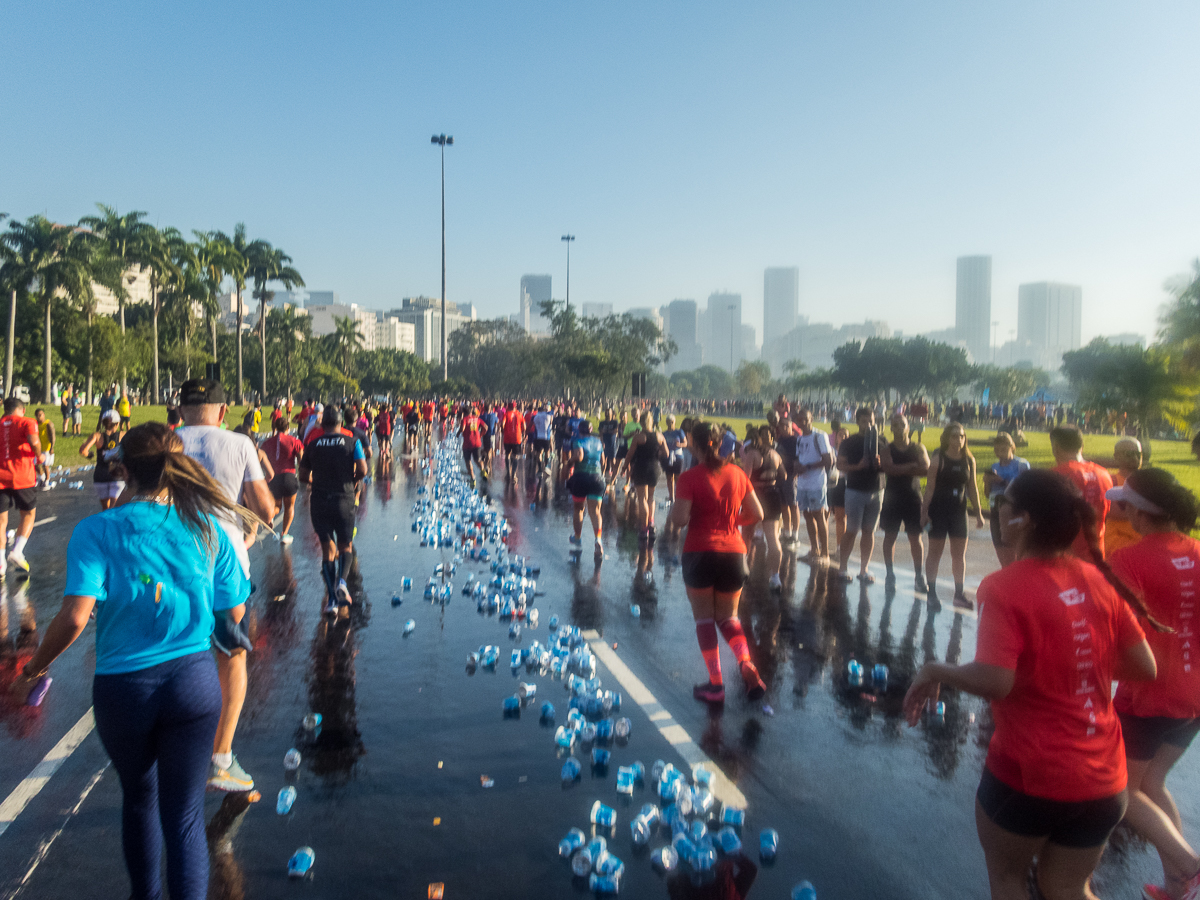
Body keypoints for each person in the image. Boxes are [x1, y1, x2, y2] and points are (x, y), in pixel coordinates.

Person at [8, 422, 252, 900]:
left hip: (125, 688)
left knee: (140, 800)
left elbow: (76, 617)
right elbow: (235, 613)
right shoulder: (207, 527)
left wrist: (33, 671)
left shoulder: (97, 529)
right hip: (195, 683)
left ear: (122, 467)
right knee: (183, 816)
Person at [903, 469, 1158, 900]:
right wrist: (1073, 664)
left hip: (1031, 776)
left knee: (1009, 882)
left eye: (1005, 501)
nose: (998, 508)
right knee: (1068, 888)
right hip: (1104, 778)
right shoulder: (1098, 580)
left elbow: (995, 681)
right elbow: (1144, 667)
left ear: (1024, 519)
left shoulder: (1004, 587)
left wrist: (934, 670)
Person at [175, 378, 276, 794]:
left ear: (180, 411)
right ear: (221, 411)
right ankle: (220, 758)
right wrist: (251, 525)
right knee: (231, 655)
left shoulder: (165, 442)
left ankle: (177, 750)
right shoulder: (239, 443)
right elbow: (265, 507)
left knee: (174, 655)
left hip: (168, 561)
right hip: (225, 562)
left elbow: (130, 503)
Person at [1106, 470, 1200, 900]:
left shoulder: (1130, 559)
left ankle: (1189, 865)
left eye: (1124, 505)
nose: (1120, 511)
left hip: (1149, 694)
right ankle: (1177, 885)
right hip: (1194, 692)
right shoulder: (1197, 552)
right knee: (1153, 783)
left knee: (1125, 791)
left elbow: (1119, 634)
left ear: (1141, 512)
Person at [670, 422, 766, 704]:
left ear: (698, 446)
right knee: (729, 617)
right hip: (734, 552)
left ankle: (716, 684)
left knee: (704, 619)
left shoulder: (689, 478)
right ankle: (745, 662)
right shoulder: (737, 473)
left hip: (700, 552)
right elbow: (757, 512)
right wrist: (731, 521)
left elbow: (679, 520)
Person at [299, 405, 367, 617]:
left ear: (323, 424)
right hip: (344, 499)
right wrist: (352, 481)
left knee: (328, 550)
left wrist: (314, 482)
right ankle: (343, 583)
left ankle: (331, 601)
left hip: (320, 500)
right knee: (345, 545)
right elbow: (363, 470)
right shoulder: (352, 442)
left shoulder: (313, 444)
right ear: (340, 423)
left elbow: (302, 475)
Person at [921, 422, 985, 609]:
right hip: (938, 510)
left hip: (958, 511)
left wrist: (979, 513)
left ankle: (959, 594)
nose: (959, 439)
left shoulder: (969, 460)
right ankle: (931, 594)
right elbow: (930, 487)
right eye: (955, 435)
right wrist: (924, 512)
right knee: (935, 553)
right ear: (947, 438)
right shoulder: (938, 458)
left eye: (962, 436)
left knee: (959, 555)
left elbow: (972, 487)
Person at [879, 413, 930, 592]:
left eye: (902, 424)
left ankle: (919, 576)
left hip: (913, 497)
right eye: (895, 425)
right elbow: (888, 469)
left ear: (908, 427)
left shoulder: (918, 448)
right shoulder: (887, 449)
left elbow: (926, 469)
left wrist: (900, 469)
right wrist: (911, 467)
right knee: (890, 536)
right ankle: (890, 574)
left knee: (916, 538)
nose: (899, 428)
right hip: (892, 498)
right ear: (891, 428)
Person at [1051, 425, 1114, 564]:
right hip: (1097, 553)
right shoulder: (1104, 474)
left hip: (1065, 557)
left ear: (1055, 447)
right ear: (1082, 445)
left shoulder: (1055, 475)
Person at [835, 407, 884, 584]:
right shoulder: (850, 442)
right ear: (858, 422)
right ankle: (842, 567)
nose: (868, 424)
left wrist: (881, 463)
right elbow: (840, 466)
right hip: (855, 490)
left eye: (871, 420)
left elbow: (888, 465)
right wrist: (858, 466)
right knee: (852, 530)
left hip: (876, 490)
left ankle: (864, 569)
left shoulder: (880, 440)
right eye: (864, 421)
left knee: (869, 531)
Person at [0, 397, 41, 577]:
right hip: (23, 477)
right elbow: (33, 441)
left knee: (1, 521)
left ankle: (0, 562)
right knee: (28, 514)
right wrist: (39, 456)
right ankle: (17, 551)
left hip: (1, 477)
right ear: (22, 409)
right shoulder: (27, 422)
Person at [741, 425, 785, 591]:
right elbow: (784, 474)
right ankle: (775, 577)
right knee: (773, 538)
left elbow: (745, 478)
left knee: (747, 533)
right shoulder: (775, 454)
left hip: (756, 495)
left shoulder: (752, 454)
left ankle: (743, 569)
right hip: (773, 494)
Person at [983, 433, 1030, 569]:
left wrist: (1002, 480)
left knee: (1015, 551)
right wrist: (987, 482)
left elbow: (1026, 489)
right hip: (996, 510)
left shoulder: (1021, 465)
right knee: (1000, 548)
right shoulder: (994, 467)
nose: (1000, 453)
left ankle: (1019, 579)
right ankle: (1008, 576)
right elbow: (987, 494)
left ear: (1012, 447)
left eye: (1004, 449)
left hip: (1014, 511)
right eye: (997, 450)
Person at [792, 408, 832, 565]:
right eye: (800, 419)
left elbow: (828, 460)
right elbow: (798, 457)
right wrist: (797, 467)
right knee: (807, 515)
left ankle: (825, 552)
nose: (802, 422)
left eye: (805, 419)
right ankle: (814, 549)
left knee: (819, 515)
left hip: (816, 482)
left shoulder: (819, 436)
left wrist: (807, 467)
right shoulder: (800, 439)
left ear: (811, 419)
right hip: (802, 482)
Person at [627, 411, 669, 546]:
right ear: (652, 422)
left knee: (642, 498)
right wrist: (657, 453)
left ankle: (644, 528)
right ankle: (651, 523)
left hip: (641, 467)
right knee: (651, 497)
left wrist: (624, 467)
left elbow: (630, 454)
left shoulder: (639, 437)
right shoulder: (659, 436)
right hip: (655, 468)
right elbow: (666, 453)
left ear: (641, 423)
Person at [566, 421, 606, 559]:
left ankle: (577, 538)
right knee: (596, 511)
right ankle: (598, 539)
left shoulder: (578, 441)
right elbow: (603, 463)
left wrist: (569, 463)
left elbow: (579, 456)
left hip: (581, 477)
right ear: (591, 429)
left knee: (579, 509)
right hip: (597, 478)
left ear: (579, 429)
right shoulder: (599, 442)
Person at [261, 416, 304, 544]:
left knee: (277, 506)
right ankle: (284, 534)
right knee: (289, 506)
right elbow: (301, 459)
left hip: (274, 477)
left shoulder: (267, 442)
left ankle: (269, 517)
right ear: (288, 428)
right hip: (289, 476)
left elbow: (260, 456)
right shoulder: (294, 441)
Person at [1103, 437, 1145, 556]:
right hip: (1117, 543)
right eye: (1129, 454)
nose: (1135, 458)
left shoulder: (1149, 481)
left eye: (1139, 454)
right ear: (1116, 456)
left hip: (1145, 543)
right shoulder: (1110, 481)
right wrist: (1150, 510)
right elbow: (1111, 512)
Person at [81, 410, 127, 510]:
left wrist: (89, 455)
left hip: (100, 475)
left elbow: (83, 451)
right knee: (114, 508)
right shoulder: (123, 435)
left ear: (103, 423)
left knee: (105, 509)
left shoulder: (96, 436)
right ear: (118, 423)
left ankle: (105, 525)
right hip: (117, 475)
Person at [662, 415, 687, 504]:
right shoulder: (664, 433)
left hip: (678, 456)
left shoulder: (679, 432)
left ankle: (679, 496)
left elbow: (685, 443)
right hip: (668, 457)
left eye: (672, 422)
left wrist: (680, 445)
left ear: (674, 422)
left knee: (678, 477)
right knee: (669, 477)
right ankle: (671, 496)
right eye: (668, 422)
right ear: (666, 422)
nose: (670, 424)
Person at [461, 406, 487, 487]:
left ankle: (473, 478)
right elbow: (486, 427)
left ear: (464, 413)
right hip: (477, 442)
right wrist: (481, 434)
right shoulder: (477, 418)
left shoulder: (464, 419)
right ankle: (483, 470)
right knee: (477, 459)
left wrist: (462, 432)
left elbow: (462, 429)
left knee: (468, 461)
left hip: (467, 443)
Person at [501, 401, 526, 481]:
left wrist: (503, 431)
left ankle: (508, 473)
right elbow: (524, 427)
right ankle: (514, 475)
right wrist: (521, 432)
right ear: (515, 407)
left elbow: (502, 424)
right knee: (515, 456)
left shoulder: (506, 414)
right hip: (517, 438)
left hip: (507, 438)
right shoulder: (520, 414)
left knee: (507, 455)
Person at [34, 408, 55, 489]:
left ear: (44, 415)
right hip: (38, 447)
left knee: (45, 465)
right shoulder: (35, 424)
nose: (39, 417)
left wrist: (52, 447)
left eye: (40, 415)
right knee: (35, 464)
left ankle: (47, 480)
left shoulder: (48, 424)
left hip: (46, 447)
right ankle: (41, 477)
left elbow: (53, 436)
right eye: (37, 415)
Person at [531, 404, 554, 479]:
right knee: (547, 452)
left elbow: (532, 423)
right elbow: (551, 421)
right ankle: (547, 467)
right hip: (546, 437)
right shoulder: (548, 415)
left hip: (537, 437)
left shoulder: (535, 416)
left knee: (538, 453)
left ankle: (540, 470)